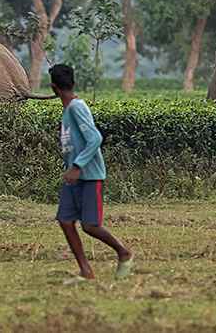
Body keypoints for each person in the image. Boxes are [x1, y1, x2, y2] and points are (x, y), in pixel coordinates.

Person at [52, 64, 134, 280]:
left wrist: (77, 166)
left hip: (89, 176)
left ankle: (123, 252)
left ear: (53, 88)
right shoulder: (67, 110)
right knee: (65, 220)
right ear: (73, 83)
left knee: (90, 226)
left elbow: (95, 138)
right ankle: (86, 271)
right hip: (73, 177)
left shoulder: (77, 107)